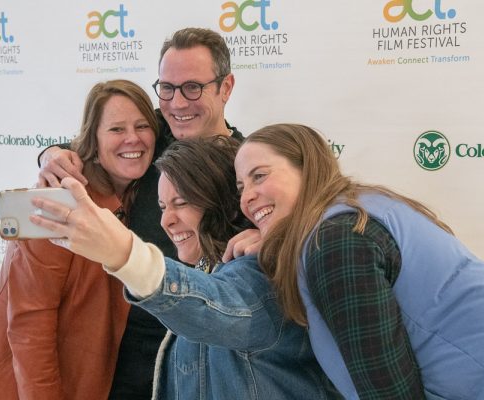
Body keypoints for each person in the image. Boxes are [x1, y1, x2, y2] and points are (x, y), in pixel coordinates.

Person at [34, 27, 258, 398]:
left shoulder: (248, 164)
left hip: (202, 359)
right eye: (167, 88)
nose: (177, 103)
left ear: (226, 87)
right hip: (121, 357)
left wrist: (269, 235)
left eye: (192, 87)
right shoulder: (153, 132)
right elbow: (95, 140)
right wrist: (51, 155)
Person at [29, 136, 341, 399]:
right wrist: (51, 153)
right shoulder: (210, 268)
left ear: (220, 201)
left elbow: (214, 306)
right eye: (163, 207)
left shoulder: (258, 274)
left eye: (181, 203)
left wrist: (122, 252)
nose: (166, 220)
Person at [234, 123, 484, 399]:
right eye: (241, 187)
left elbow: (388, 393)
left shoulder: (338, 243)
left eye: (260, 176)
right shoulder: (357, 210)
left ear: (307, 168)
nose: (247, 197)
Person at [0, 79, 159, 400]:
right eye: (116, 129)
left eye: (142, 125)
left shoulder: (141, 195)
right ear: (92, 138)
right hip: (14, 387)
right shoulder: (56, 199)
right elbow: (30, 326)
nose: (132, 138)